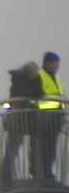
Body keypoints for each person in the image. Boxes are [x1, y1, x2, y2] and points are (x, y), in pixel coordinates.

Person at [1, 61, 43, 184]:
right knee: (12, 149)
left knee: (15, 149)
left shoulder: (27, 78)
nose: (36, 71)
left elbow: (38, 93)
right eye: (34, 69)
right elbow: (29, 94)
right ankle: (6, 177)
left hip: (25, 119)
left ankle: (8, 176)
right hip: (19, 119)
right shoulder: (20, 78)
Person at [32, 51, 65, 184]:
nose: (57, 66)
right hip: (45, 116)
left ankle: (47, 171)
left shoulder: (56, 78)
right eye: (55, 63)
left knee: (51, 146)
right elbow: (37, 95)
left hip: (56, 116)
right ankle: (41, 171)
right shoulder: (40, 75)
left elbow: (60, 96)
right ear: (48, 63)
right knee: (43, 146)